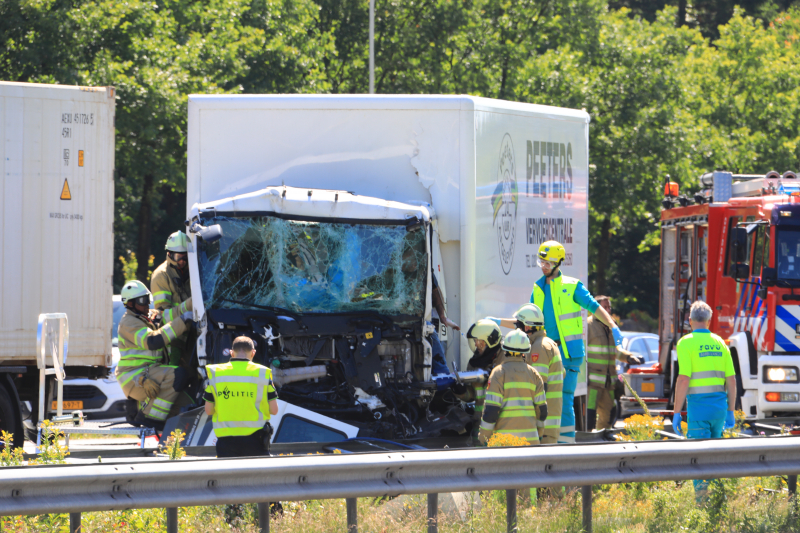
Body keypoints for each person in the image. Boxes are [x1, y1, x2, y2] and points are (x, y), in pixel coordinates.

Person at [491, 240, 621, 443]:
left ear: (558, 263)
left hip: (568, 354)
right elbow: (524, 320)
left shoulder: (572, 286)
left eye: (548, 263)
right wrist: (498, 321)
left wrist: (613, 326)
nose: (544, 267)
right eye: (541, 262)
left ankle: (566, 445)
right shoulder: (538, 288)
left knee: (564, 399)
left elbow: (593, 306)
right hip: (545, 355)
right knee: (542, 399)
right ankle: (547, 443)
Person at [672, 301, 736, 504]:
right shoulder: (720, 343)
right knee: (715, 459)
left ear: (690, 321)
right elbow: (731, 380)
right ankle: (718, 504)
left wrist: (676, 412)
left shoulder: (686, 343)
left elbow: (684, 379)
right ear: (709, 321)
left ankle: (702, 507)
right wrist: (731, 411)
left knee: (699, 460)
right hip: (719, 411)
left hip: (699, 411)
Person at [116, 280, 193, 430]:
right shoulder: (129, 323)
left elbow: (173, 314)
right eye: (142, 301)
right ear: (130, 304)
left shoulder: (147, 317)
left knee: (187, 403)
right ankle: (150, 417)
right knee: (178, 375)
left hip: (151, 372)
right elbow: (152, 340)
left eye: (147, 299)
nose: (147, 304)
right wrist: (182, 321)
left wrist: (193, 302)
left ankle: (137, 409)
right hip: (135, 377)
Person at [496, 304, 564, 444]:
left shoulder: (539, 348)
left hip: (542, 427)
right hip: (547, 424)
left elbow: (538, 387)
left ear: (527, 327)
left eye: (518, 325)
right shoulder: (547, 344)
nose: (516, 329)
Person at [203, 336, 279, 458]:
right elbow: (274, 410)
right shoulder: (263, 373)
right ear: (253, 353)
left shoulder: (215, 373)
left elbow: (209, 410)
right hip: (256, 440)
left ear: (231, 353)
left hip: (226, 442)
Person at [478, 329, 548, 445]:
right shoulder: (534, 374)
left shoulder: (498, 373)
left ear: (505, 350)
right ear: (526, 351)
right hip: (531, 444)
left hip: (505, 444)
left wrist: (483, 438)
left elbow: (491, 411)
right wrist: (539, 434)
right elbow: (542, 411)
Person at [586, 296, 643, 431]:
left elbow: (615, 351)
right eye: (604, 307)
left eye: (609, 307)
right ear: (596, 308)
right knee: (589, 416)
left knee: (610, 414)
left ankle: (602, 440)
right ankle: (587, 441)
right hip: (592, 383)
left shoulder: (612, 326)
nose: (608, 310)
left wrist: (629, 357)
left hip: (608, 382)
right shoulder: (587, 326)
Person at [151, 231, 193, 367]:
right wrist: (189, 306)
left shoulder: (194, 270)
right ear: (169, 254)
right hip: (175, 340)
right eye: (178, 256)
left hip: (194, 334)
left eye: (185, 256)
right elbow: (163, 316)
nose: (182, 261)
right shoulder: (161, 276)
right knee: (177, 376)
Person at [459, 319, 504, 443]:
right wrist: (461, 392)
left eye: (479, 342)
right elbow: (473, 395)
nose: (476, 345)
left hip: (500, 426)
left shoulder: (505, 360)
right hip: (479, 425)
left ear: (491, 341)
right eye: (474, 341)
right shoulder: (474, 363)